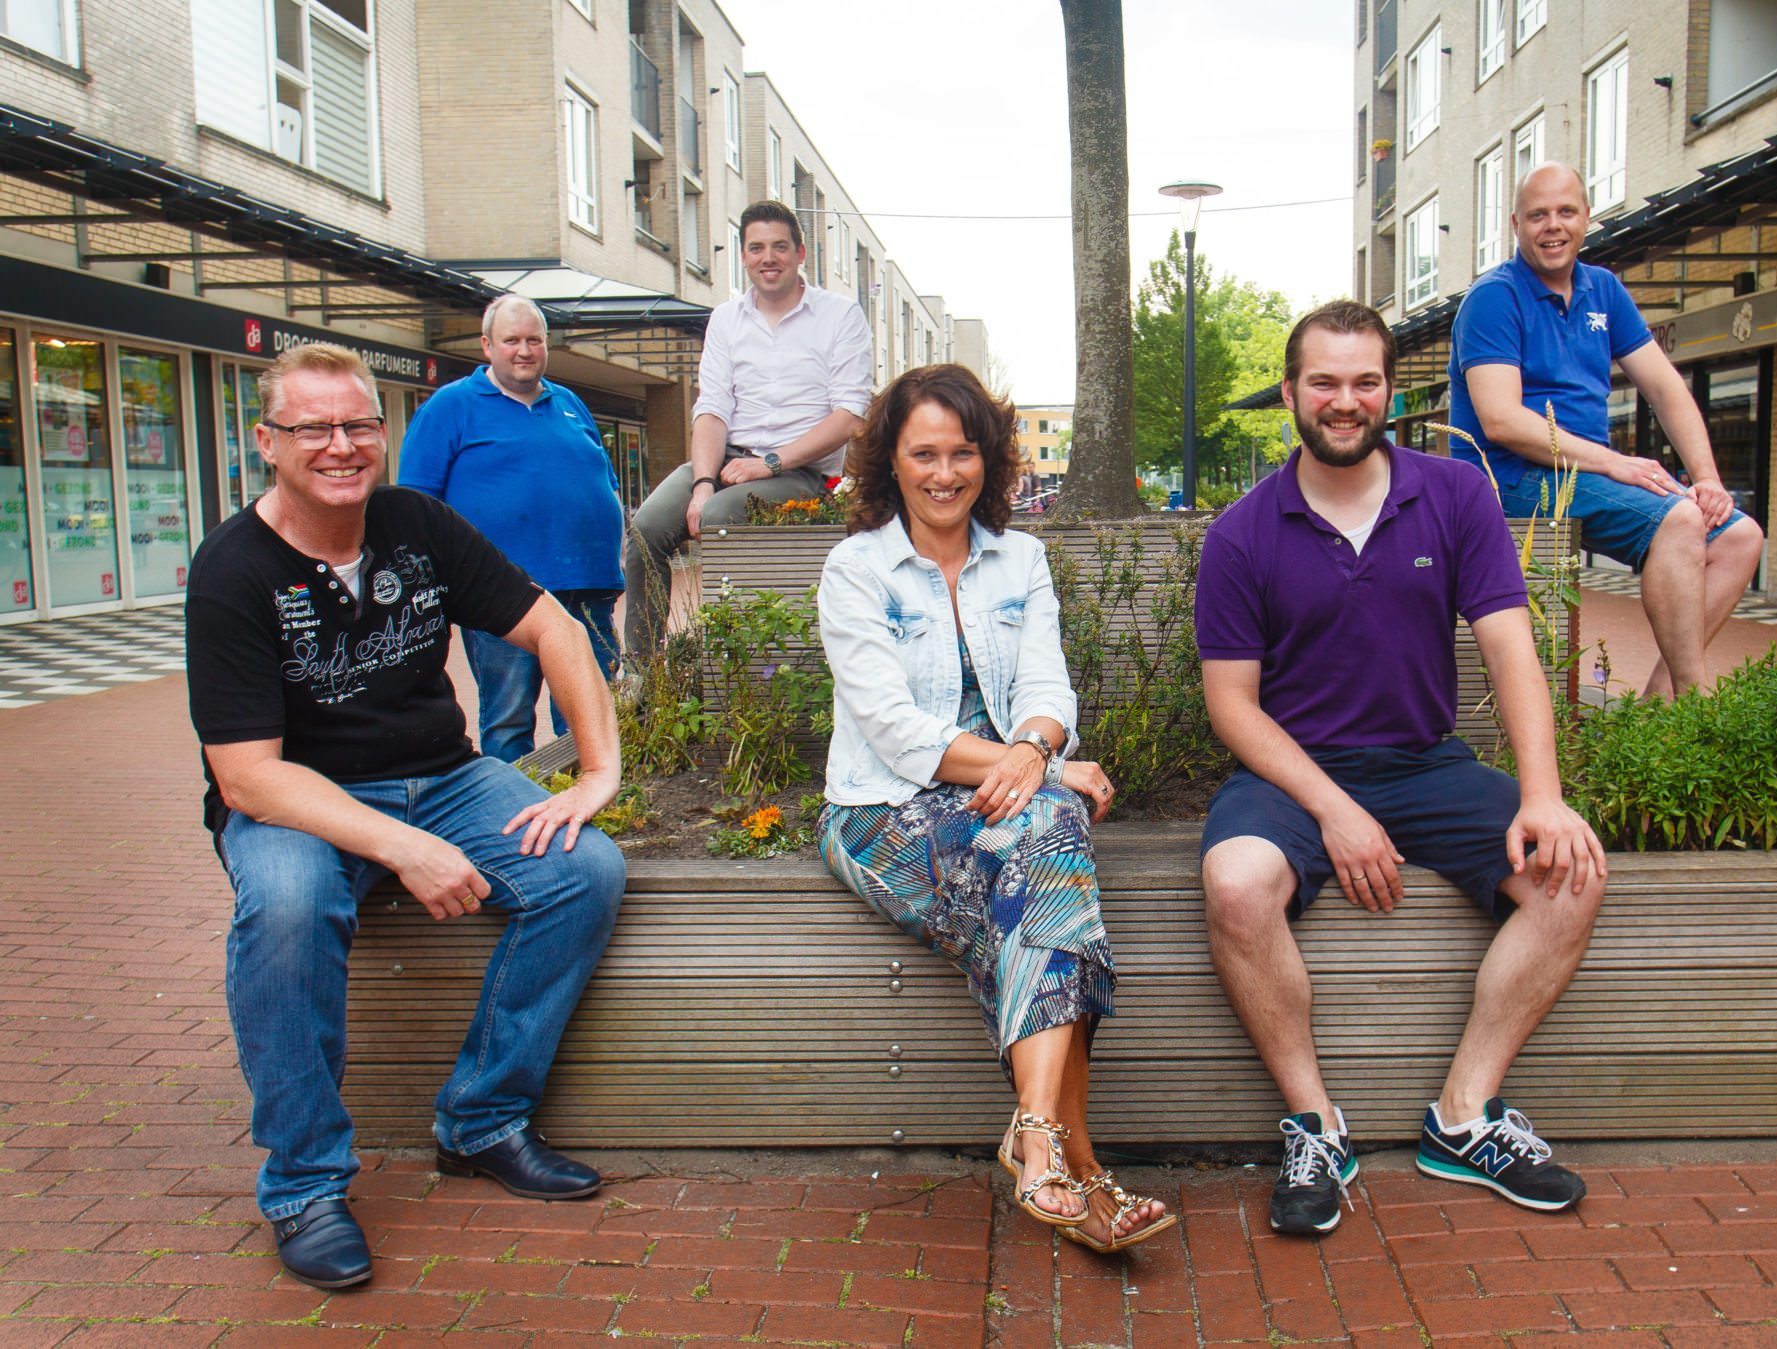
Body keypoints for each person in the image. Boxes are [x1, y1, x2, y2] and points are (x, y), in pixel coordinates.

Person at [186, 344, 626, 1290]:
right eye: (313, 428)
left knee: (586, 872)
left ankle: (482, 1118)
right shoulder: (231, 570)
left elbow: (554, 626)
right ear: (268, 442)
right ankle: (303, 1183)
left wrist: (597, 771)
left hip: (445, 776)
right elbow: (247, 778)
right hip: (298, 797)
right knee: (289, 913)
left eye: (358, 425)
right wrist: (402, 847)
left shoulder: (415, 523)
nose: (341, 445)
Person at [1197, 301, 1607, 1237]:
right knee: (1234, 881)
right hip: (1293, 774)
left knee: (1572, 876)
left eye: (1366, 382)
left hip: (1429, 765)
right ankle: (1316, 1126)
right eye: (1325, 383)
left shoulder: (1454, 495)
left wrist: (1543, 796)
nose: (1346, 402)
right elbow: (1234, 708)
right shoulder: (1244, 532)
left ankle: (1464, 1116)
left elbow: (1511, 653)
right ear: (1293, 394)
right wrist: (1335, 810)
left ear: (1392, 391)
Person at [814, 363, 1174, 1255]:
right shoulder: (854, 569)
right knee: (1053, 840)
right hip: (882, 812)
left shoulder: (1022, 558)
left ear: (991, 458)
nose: (945, 472)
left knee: (1037, 877)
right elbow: (898, 734)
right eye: (924, 453)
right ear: (889, 463)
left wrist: (1038, 751)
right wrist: (1039, 769)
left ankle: (1045, 1150)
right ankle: (1075, 1164)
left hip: (1007, 798)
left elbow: (1049, 687)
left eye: (963, 451)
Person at [1447, 161, 1763, 698]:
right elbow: (1501, 420)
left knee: (1738, 535)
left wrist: (1707, 477)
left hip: (1582, 477)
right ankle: (1695, 701)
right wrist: (1616, 462)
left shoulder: (1603, 290)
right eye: (1538, 215)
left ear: (1587, 218)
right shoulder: (1495, 297)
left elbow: (1665, 389)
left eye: (1566, 212)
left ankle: (1667, 696)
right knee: (1679, 520)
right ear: (1515, 224)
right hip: (1513, 479)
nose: (1553, 225)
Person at [625, 199, 874, 657]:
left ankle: (725, 658)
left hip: (798, 471)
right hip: (725, 462)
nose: (768, 258)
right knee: (645, 529)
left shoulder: (839, 316)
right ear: (743, 256)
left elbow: (850, 415)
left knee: (721, 519)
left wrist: (769, 463)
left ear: (800, 253)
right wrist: (701, 483)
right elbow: (712, 408)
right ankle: (643, 670)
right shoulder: (726, 318)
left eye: (780, 247)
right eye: (756, 248)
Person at [398, 293, 625, 760]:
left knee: (591, 715)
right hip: (502, 595)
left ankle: (594, 814)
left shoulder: (569, 402)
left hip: (586, 591)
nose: (524, 351)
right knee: (508, 718)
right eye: (511, 340)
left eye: (534, 340)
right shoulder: (450, 407)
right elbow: (416, 504)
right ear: (487, 345)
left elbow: (605, 481)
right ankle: (513, 818)